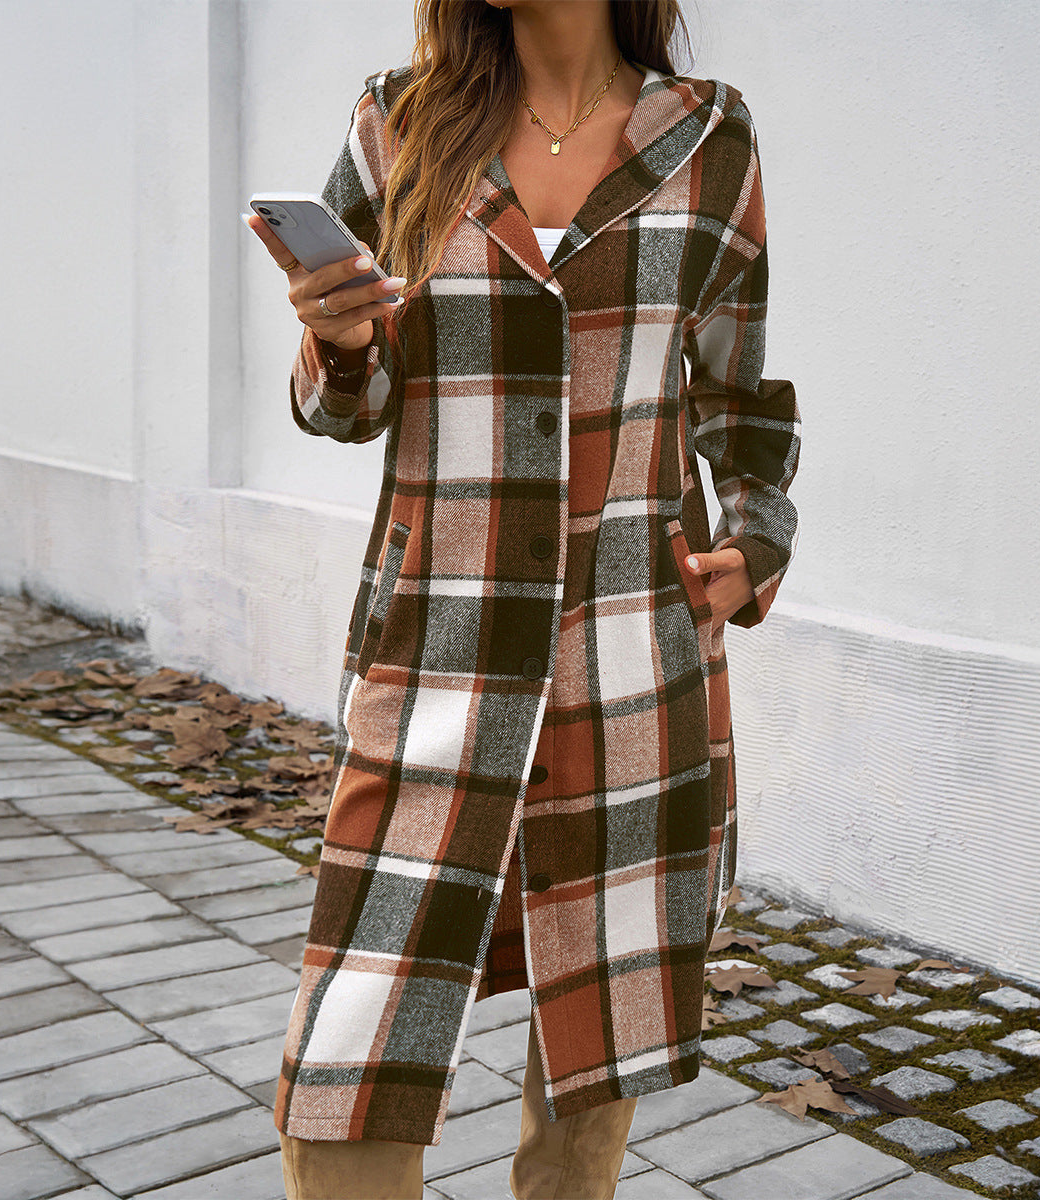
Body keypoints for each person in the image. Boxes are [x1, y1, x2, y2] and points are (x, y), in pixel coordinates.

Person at [245, 1, 800, 1196]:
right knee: (341, 1085)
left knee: (589, 1091)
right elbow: (346, 408)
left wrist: (755, 543)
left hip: (635, 667)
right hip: (434, 657)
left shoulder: (710, 140)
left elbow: (742, 397)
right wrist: (338, 345)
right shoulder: (397, 128)